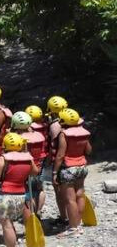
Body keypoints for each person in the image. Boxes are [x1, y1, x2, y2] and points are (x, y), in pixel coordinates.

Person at [0, 133, 39, 247]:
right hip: (20, 193)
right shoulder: (28, 158)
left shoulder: (2, 159)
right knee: (9, 223)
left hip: (5, 194)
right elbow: (35, 172)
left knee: (7, 224)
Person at [53, 108, 92, 237]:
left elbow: (60, 155)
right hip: (82, 167)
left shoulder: (64, 134)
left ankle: (73, 228)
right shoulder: (84, 133)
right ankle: (78, 225)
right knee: (80, 195)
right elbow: (89, 150)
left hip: (69, 168)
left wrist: (54, 172)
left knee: (70, 200)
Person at [11, 111, 47, 216]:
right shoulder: (39, 135)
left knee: (28, 193)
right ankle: (39, 210)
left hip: (27, 168)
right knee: (40, 189)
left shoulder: (18, 138)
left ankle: (32, 214)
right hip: (39, 166)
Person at [45, 95, 69, 226]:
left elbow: (54, 147)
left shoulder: (55, 125)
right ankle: (74, 215)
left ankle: (64, 217)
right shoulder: (74, 120)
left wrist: (51, 167)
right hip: (74, 161)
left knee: (59, 192)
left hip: (60, 162)